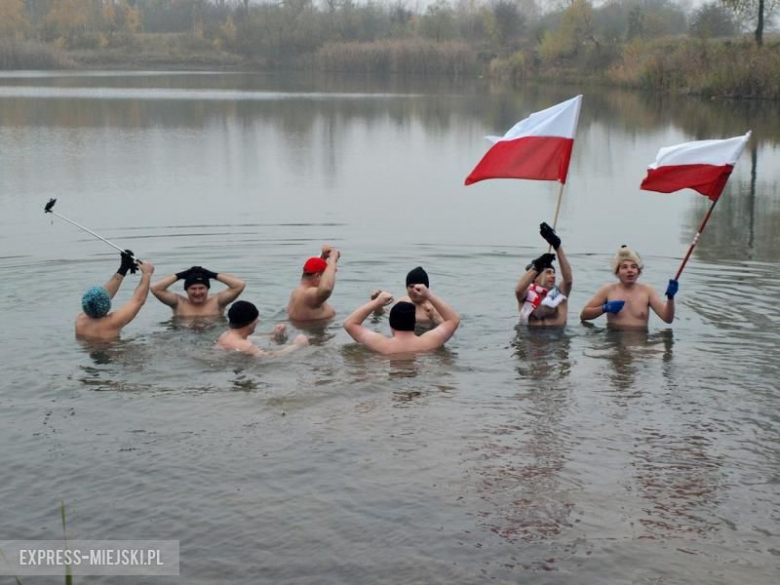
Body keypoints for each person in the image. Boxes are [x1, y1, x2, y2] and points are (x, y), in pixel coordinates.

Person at [579, 245, 678, 329]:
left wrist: (670, 298)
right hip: (613, 341)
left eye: (633, 267)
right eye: (624, 267)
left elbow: (668, 319)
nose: (630, 270)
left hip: (640, 342)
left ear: (638, 271)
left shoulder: (647, 291)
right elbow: (583, 315)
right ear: (617, 272)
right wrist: (604, 308)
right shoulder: (608, 290)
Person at [343, 285, 460, 355]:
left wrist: (376, 302)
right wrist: (428, 295)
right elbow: (453, 320)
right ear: (413, 322)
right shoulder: (428, 343)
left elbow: (349, 323)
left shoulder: (381, 345)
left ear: (391, 323)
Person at [75, 250, 154, 341]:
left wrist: (123, 269)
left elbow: (101, 296)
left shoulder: (80, 319)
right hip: (112, 349)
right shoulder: (112, 322)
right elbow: (138, 300)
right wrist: (147, 274)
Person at [514, 222, 573, 327]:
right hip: (529, 336)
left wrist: (557, 246)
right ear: (536, 278)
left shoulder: (559, 293)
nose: (553, 276)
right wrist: (537, 266)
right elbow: (519, 290)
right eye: (548, 272)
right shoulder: (526, 295)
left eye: (553, 273)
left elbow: (568, 280)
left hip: (556, 335)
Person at [217, 301, 309, 357]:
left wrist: (275, 335)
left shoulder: (225, 335)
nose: (258, 321)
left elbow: (253, 339)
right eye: (256, 319)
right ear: (250, 323)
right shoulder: (247, 346)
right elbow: (270, 357)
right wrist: (297, 346)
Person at [150, 265, 245, 317]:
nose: (197, 292)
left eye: (201, 288)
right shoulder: (179, 303)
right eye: (193, 289)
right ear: (186, 290)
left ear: (207, 289)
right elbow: (155, 288)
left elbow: (239, 284)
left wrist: (212, 274)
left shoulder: (217, 302)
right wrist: (180, 275)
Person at [371, 266, 443, 329]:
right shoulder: (402, 302)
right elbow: (382, 314)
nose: (414, 291)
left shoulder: (434, 307)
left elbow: (446, 326)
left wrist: (434, 317)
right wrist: (377, 304)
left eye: (418, 288)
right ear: (406, 287)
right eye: (411, 287)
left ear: (426, 289)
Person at [287, 244, 340, 322]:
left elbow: (316, 268)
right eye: (325, 275)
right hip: (315, 329)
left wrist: (323, 257)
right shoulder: (308, 295)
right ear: (317, 276)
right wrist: (332, 259)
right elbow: (326, 289)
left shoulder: (298, 291)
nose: (328, 277)